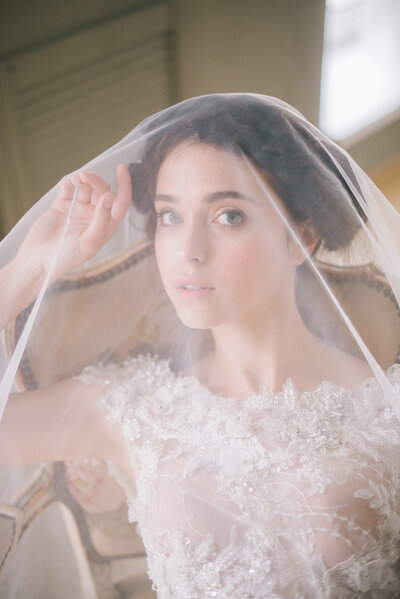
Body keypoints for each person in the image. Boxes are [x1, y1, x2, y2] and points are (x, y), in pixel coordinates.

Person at [0, 93, 400, 597]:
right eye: (170, 217)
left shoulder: (389, 412)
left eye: (227, 215)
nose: (188, 252)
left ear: (302, 236)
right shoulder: (128, 408)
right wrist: (31, 269)